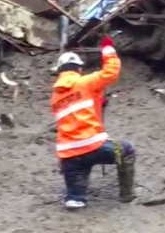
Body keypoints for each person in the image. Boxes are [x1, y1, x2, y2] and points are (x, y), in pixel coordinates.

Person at [50, 37, 135, 209]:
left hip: (69, 155)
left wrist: (97, 100)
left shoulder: (55, 97)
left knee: (76, 185)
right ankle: (127, 195)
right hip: (94, 146)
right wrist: (108, 49)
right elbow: (111, 71)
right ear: (78, 68)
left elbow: (76, 110)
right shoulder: (85, 82)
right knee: (126, 150)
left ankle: (75, 197)